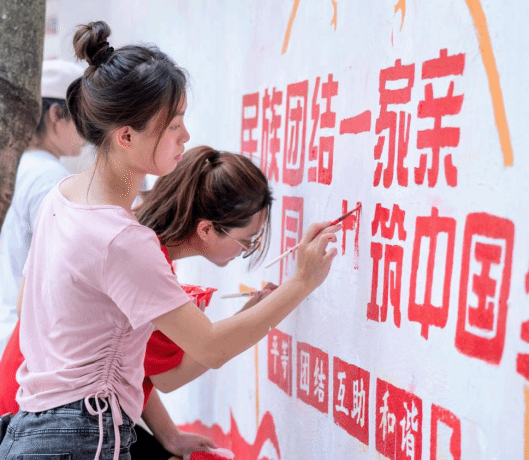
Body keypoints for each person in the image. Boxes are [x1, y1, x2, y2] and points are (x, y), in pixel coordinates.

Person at [0, 21, 339, 460]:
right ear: (127, 136)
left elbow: (32, 307)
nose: (186, 137)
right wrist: (302, 282)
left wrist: (168, 434)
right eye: (174, 124)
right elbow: (210, 347)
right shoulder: (122, 239)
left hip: (30, 427)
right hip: (83, 436)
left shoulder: (61, 199)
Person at [0, 60, 85, 351]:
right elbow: (61, 270)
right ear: (56, 115)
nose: (88, 130)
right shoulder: (49, 178)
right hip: (26, 340)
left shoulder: (19, 165)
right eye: (82, 116)